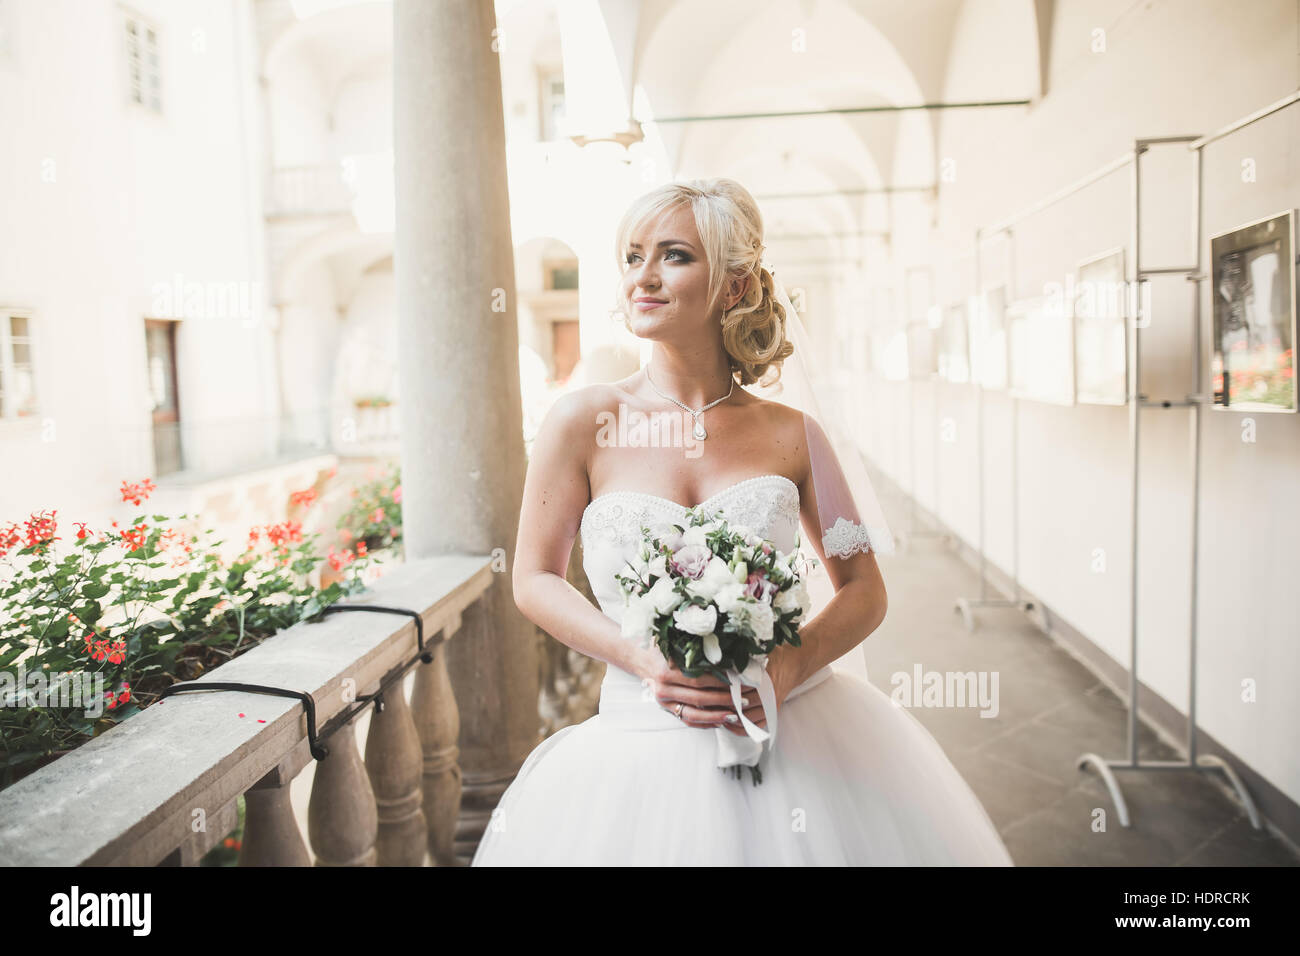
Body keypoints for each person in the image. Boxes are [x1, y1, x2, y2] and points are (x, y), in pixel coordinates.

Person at [471, 178, 1013, 866]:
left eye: (673, 256)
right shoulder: (581, 425)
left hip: (798, 729)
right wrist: (641, 658)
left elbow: (863, 587)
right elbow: (533, 579)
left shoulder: (797, 437)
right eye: (633, 256)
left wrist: (787, 668)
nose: (643, 275)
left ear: (734, 286)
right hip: (640, 735)